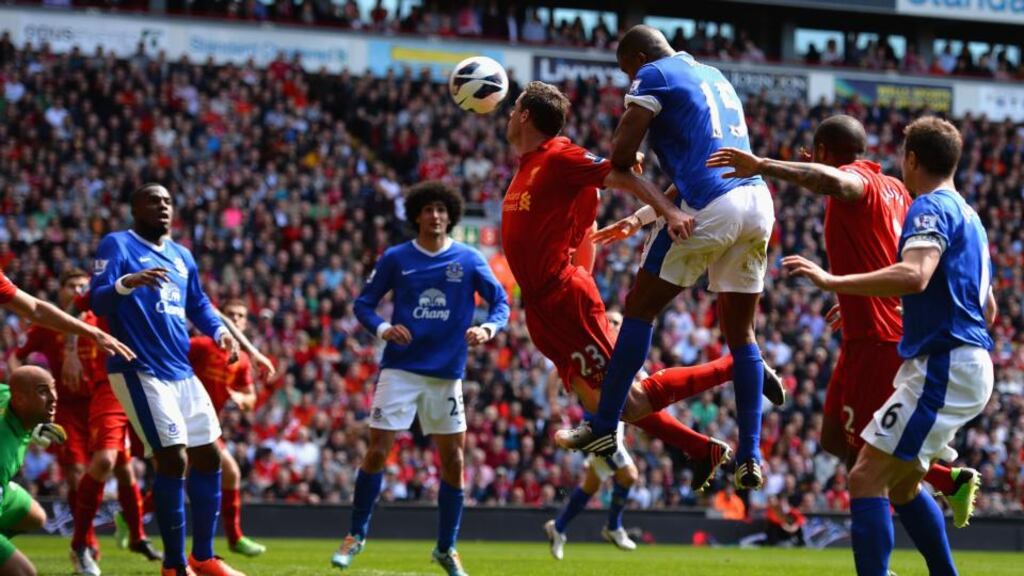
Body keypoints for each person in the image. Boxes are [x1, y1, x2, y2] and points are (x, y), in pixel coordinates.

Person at [502, 81, 783, 495]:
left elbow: (615, 175)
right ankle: (701, 447)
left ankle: (740, 368)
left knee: (626, 401)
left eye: (513, 109)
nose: (508, 114)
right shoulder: (529, 167)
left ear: (524, 115)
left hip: (563, 298)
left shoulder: (559, 155)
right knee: (602, 403)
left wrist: (665, 210)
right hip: (542, 308)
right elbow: (585, 225)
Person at [706, 114, 980, 528]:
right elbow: (890, 249)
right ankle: (943, 480)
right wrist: (855, 294)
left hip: (878, 340)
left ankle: (940, 491)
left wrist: (763, 165)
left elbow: (835, 182)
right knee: (833, 438)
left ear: (819, 154)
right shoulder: (895, 188)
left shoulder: (858, 181)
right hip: (862, 331)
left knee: (867, 468)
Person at [784, 117, 994, 575]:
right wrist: (880, 303)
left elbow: (916, 276)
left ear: (912, 159)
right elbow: (986, 307)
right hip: (957, 363)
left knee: (865, 477)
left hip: (943, 365)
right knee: (900, 485)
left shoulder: (928, 208)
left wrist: (832, 281)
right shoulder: (970, 216)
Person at [332, 181, 510, 576]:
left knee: (454, 460)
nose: (436, 216)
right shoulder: (397, 258)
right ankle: (356, 534)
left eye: (442, 210)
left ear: (451, 215)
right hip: (400, 369)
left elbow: (501, 301)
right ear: (416, 216)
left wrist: (488, 330)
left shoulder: (469, 259)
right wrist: (382, 329)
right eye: (428, 210)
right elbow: (363, 304)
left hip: (446, 374)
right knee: (377, 451)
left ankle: (446, 548)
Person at [90, 183, 244, 576]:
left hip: (182, 370)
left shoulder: (181, 256)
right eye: (152, 200)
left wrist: (218, 331)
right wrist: (128, 282)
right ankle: (174, 565)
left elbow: (199, 302)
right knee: (172, 457)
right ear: (135, 207)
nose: (162, 206)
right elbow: (97, 300)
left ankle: (203, 556)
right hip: (139, 369)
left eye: (167, 201)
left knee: (209, 455)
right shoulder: (117, 245)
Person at [15, 268, 160, 576]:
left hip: (101, 401)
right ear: (62, 292)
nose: (78, 288)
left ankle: (136, 535)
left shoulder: (98, 322)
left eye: (83, 284)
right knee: (77, 474)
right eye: (71, 285)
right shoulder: (47, 325)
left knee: (122, 466)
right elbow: (18, 355)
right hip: (66, 410)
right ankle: (88, 546)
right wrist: (22, 389)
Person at [188, 299, 268, 557]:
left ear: (245, 323)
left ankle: (134, 517)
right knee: (226, 471)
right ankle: (230, 540)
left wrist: (240, 397)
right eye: (230, 314)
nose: (234, 319)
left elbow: (251, 399)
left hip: (209, 425)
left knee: (221, 473)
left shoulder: (242, 360)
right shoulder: (200, 345)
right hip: (184, 418)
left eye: (240, 316)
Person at [0, 366, 66, 576]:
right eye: (43, 391)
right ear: (19, 400)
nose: (54, 397)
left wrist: (33, 427)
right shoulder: (4, 451)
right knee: (24, 572)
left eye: (53, 388)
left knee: (35, 517)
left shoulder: (6, 394)